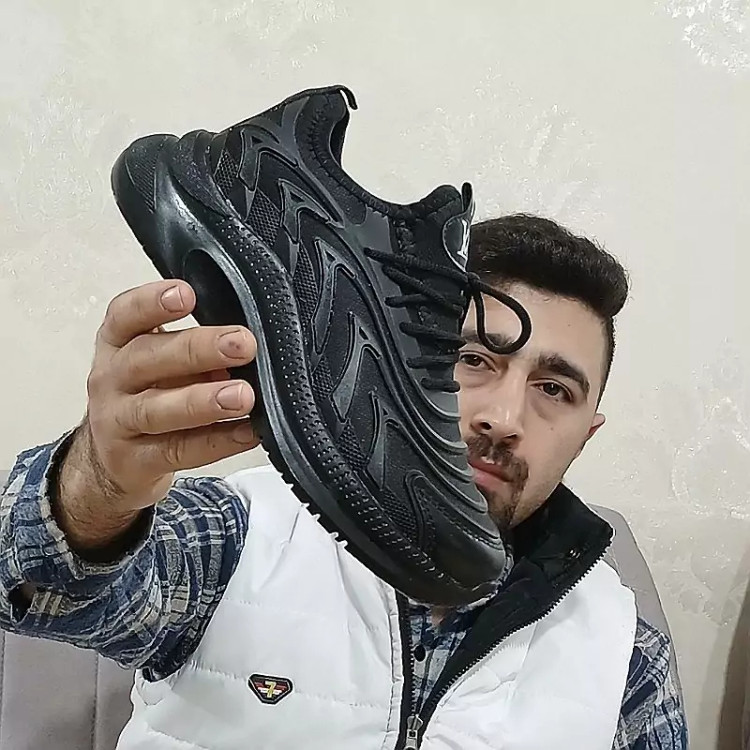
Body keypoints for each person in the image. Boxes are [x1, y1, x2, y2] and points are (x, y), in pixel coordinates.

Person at [0, 214, 688, 749]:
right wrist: (98, 487)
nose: (503, 418)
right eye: (474, 358)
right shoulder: (242, 535)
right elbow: (47, 589)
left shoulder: (622, 651)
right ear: (407, 359)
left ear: (585, 434)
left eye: (554, 389)